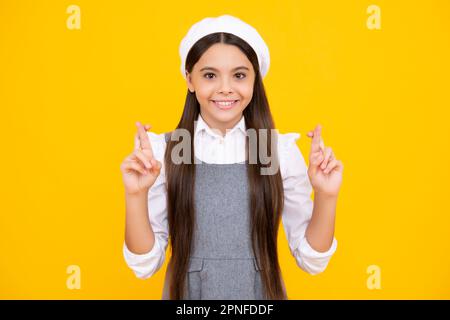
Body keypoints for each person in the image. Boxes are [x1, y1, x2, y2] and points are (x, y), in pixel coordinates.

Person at [120, 14, 344, 300]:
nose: (225, 88)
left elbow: (312, 260)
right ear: (190, 79)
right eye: (210, 75)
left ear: (255, 79)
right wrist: (135, 195)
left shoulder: (273, 151)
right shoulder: (171, 150)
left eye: (239, 75)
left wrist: (326, 196)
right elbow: (145, 265)